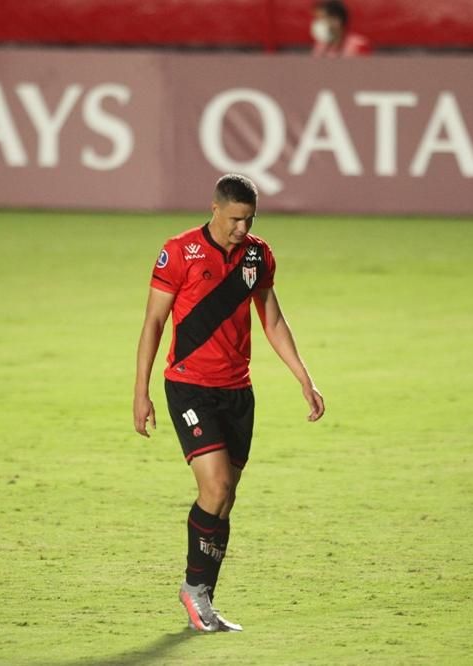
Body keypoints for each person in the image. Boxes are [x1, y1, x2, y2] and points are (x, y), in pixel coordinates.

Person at [133, 173, 325, 633]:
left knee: (225, 499)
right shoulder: (179, 252)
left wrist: (304, 378)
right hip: (189, 386)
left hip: (238, 391)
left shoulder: (258, 255)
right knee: (216, 485)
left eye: (250, 219)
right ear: (215, 208)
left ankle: (204, 598)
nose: (242, 228)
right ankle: (193, 590)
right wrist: (140, 392)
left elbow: (272, 319)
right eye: (236, 218)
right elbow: (154, 322)